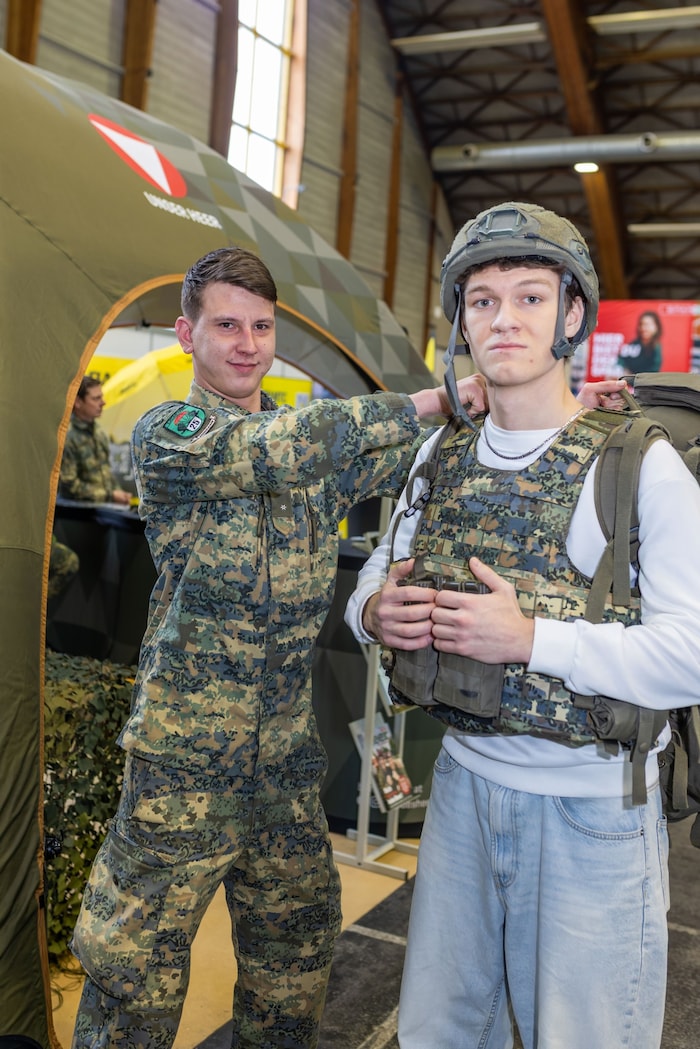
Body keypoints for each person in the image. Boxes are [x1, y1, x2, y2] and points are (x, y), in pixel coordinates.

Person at [68, 245, 492, 1049]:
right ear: (188, 334)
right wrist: (437, 398)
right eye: (226, 324)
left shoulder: (306, 446)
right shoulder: (177, 434)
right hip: (184, 766)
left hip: (283, 764)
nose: (247, 342)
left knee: (295, 953)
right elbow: (280, 449)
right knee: (135, 979)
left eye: (262, 326)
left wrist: (514, 407)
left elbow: (397, 456)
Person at [344, 201, 700, 1049]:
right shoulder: (440, 455)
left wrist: (531, 638)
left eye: (531, 297)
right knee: (439, 1033)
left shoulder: (638, 463)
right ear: (461, 319)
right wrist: (372, 610)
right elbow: (377, 568)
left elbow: (690, 656)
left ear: (573, 315)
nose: (504, 318)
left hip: (592, 813)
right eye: (483, 300)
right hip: (464, 791)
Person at [58, 375, 132, 504]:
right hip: (76, 516)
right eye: (96, 398)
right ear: (78, 402)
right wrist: (110, 496)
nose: (103, 402)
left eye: (101, 397)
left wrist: (119, 493)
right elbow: (69, 486)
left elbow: (105, 472)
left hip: (102, 510)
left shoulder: (98, 432)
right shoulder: (66, 436)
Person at [618, 308, 663, 374]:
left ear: (656, 327)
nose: (643, 328)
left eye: (647, 325)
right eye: (641, 324)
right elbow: (621, 360)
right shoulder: (634, 344)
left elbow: (654, 370)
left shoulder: (656, 347)